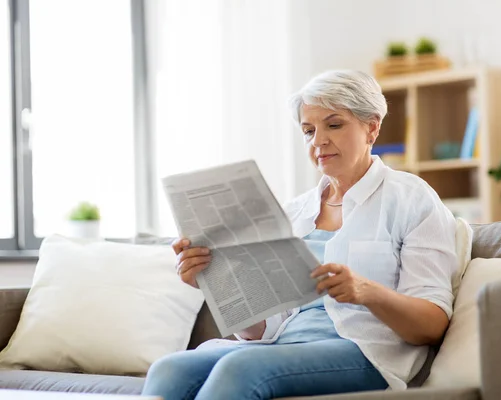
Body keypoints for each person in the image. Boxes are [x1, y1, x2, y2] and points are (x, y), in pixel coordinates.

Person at [142, 70, 457, 400]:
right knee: (170, 368)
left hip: (365, 352)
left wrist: (366, 291)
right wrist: (216, 282)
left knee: (241, 370)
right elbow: (262, 330)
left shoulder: (412, 199)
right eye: (309, 130)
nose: (318, 141)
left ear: (372, 127)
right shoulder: (294, 213)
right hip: (283, 347)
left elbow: (432, 325)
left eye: (333, 125)